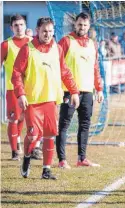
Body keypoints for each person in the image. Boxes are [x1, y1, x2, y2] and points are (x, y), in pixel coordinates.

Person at [12, 17, 80, 180]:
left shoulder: (57, 49)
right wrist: (21, 94)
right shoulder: (27, 49)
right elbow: (16, 74)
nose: (47, 34)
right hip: (32, 101)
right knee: (33, 135)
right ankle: (27, 157)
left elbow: (65, 72)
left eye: (50, 31)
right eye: (44, 31)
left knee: (50, 134)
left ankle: (46, 170)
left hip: (50, 100)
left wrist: (74, 91)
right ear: (37, 31)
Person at [56, 12, 104, 169]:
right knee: (64, 125)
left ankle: (82, 158)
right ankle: (62, 160)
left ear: (89, 26)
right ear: (74, 24)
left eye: (85, 25)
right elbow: (58, 65)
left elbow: (95, 67)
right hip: (69, 92)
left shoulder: (92, 44)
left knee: (85, 125)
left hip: (87, 92)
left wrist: (99, 88)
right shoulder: (65, 41)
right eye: (79, 24)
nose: (82, 27)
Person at [1, 14, 32, 161]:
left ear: (26, 26)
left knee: (23, 119)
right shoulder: (6, 45)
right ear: (11, 27)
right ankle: (14, 151)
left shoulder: (33, 43)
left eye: (21, 24)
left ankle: (27, 146)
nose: (19, 28)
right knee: (13, 119)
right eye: (16, 25)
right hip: (12, 89)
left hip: (31, 89)